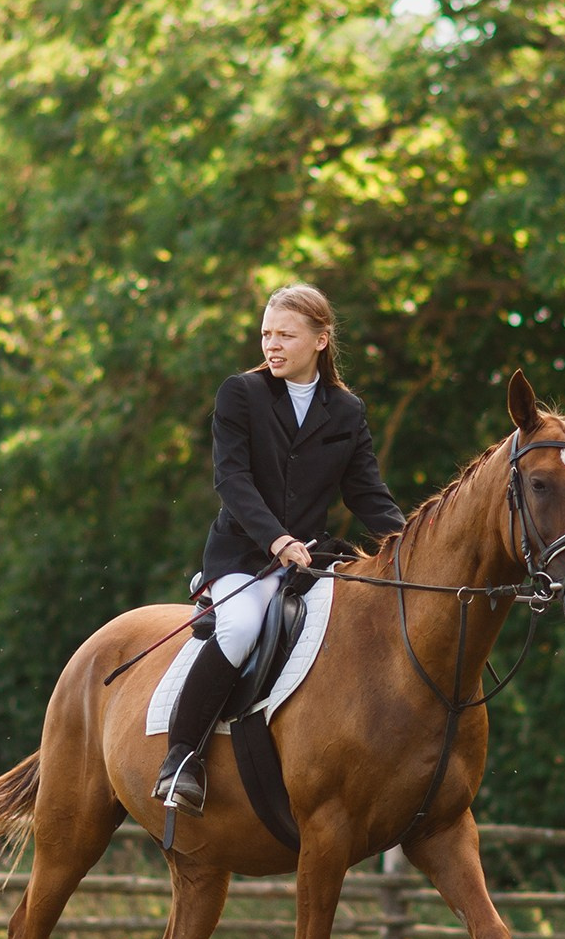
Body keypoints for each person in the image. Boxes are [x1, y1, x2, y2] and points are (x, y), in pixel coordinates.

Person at [152, 285, 407, 816]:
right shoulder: (240, 394)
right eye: (266, 333)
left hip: (312, 560)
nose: (272, 344)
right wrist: (277, 539)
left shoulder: (346, 409)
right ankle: (180, 758)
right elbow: (233, 480)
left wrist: (410, 545)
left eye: (285, 335)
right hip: (245, 555)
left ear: (320, 339)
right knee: (242, 625)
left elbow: (365, 493)